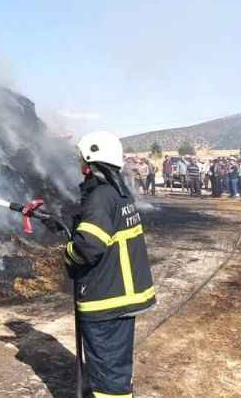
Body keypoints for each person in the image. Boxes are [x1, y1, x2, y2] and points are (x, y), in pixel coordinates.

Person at [59, 131, 156, 398]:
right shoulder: (119, 194)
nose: (80, 164)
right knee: (116, 371)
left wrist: (68, 253)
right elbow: (102, 230)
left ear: (91, 162)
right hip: (123, 299)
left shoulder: (101, 197)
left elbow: (88, 246)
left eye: (82, 159)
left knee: (108, 378)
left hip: (106, 302)